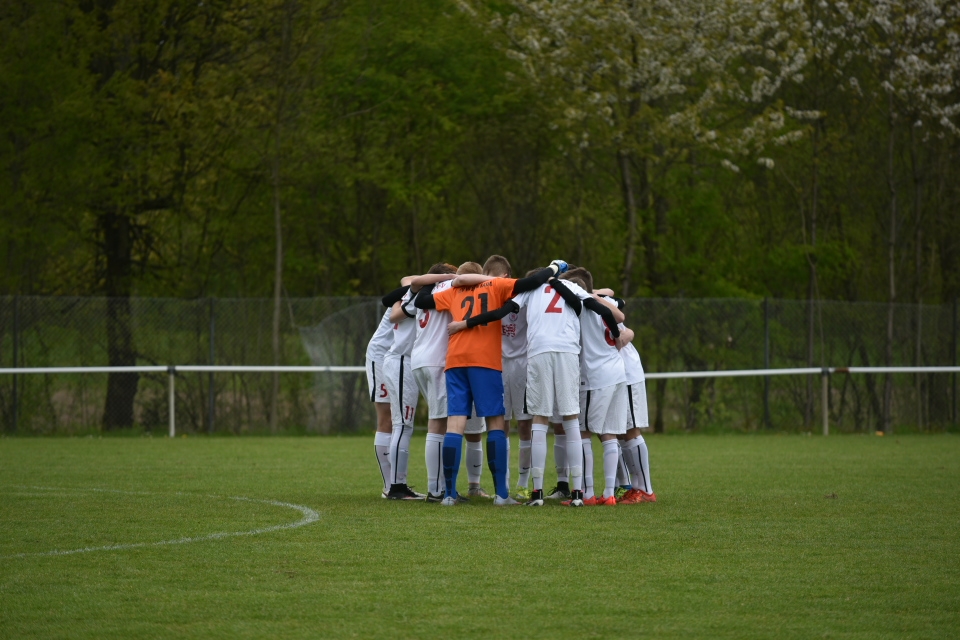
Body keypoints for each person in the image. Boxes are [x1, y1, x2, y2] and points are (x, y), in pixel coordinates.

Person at [417, 258, 565, 506]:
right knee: (496, 423)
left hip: (455, 360)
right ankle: (502, 495)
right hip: (484, 361)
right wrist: (555, 268)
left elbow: (421, 301)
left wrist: (435, 278)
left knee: (455, 426)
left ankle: (450, 494)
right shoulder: (496, 286)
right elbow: (534, 281)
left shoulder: (453, 291)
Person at [506, 266, 620, 507]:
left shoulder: (533, 288)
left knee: (540, 418)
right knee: (570, 419)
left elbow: (509, 307)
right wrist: (617, 333)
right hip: (567, 351)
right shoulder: (571, 286)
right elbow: (601, 309)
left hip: (539, 351)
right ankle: (578, 493)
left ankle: (536, 493)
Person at [406, 262, 489, 502]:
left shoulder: (425, 288)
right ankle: (437, 490)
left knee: (437, 421)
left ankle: (438, 488)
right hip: (438, 360)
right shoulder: (452, 285)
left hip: (419, 359)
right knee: (438, 425)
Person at [558, 269, 627, 506]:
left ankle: (587, 493)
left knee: (583, 432)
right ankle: (608, 493)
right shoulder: (603, 302)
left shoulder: (578, 307)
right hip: (617, 371)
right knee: (609, 434)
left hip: (595, 377)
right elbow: (619, 317)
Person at [381, 277, 424, 500]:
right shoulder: (415, 298)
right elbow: (394, 314)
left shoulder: (411, 294)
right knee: (403, 424)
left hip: (405, 363)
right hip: (400, 362)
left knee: (404, 424)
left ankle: (398, 484)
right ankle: (397, 486)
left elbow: (408, 280)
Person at [367, 282, 408, 498]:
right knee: (387, 418)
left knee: (398, 418)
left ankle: (396, 483)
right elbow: (406, 280)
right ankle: (390, 486)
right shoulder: (410, 293)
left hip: (397, 357)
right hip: (381, 356)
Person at [614, 322, 657, 504]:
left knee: (631, 430)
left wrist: (628, 333)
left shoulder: (597, 302)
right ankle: (636, 487)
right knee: (622, 433)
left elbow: (617, 302)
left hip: (627, 372)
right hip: (613, 373)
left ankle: (646, 489)